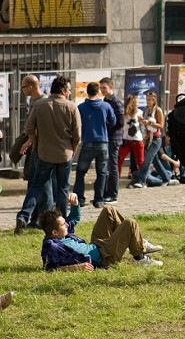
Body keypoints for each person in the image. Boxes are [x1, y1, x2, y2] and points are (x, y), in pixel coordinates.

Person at [15, 76, 81, 233]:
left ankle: (23, 216)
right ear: (63, 90)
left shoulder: (39, 105)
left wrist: (34, 141)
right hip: (65, 154)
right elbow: (77, 134)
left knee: (36, 186)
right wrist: (73, 149)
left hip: (44, 153)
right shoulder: (71, 107)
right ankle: (62, 221)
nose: (70, 92)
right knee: (63, 189)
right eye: (69, 89)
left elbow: (29, 128)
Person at [40, 194, 163, 271]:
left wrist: (75, 204)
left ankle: (138, 243)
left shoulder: (62, 234)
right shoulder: (51, 245)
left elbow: (73, 219)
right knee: (130, 223)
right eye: (63, 224)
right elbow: (50, 268)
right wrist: (76, 267)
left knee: (108, 210)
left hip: (97, 244)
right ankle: (140, 257)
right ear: (54, 232)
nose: (67, 224)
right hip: (104, 257)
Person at [16, 74, 54, 229]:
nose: (22, 90)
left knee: (43, 186)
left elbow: (42, 128)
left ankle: (43, 219)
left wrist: (29, 141)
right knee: (35, 183)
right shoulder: (33, 101)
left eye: (23, 87)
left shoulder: (44, 103)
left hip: (43, 150)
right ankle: (34, 219)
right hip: (35, 149)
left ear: (31, 86)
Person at [73, 82, 116, 208]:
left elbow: (77, 123)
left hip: (87, 142)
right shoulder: (106, 106)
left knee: (81, 172)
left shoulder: (81, 107)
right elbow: (113, 121)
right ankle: (98, 199)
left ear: (87, 92)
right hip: (103, 142)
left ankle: (80, 199)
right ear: (98, 92)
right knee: (102, 172)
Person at [99, 77, 125, 204]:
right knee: (107, 166)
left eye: (104, 87)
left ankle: (113, 194)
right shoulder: (105, 100)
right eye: (101, 88)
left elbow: (120, 122)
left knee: (112, 166)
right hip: (106, 138)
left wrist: (108, 128)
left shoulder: (116, 101)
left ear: (111, 87)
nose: (102, 90)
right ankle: (106, 192)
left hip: (114, 138)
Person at [132, 91, 164, 188]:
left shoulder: (158, 110)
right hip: (147, 138)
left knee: (147, 160)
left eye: (150, 100)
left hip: (156, 139)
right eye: (147, 100)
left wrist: (149, 123)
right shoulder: (146, 110)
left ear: (154, 100)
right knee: (156, 161)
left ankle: (142, 181)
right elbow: (145, 125)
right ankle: (167, 178)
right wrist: (142, 121)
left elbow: (161, 125)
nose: (148, 102)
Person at [117, 94, 144, 181]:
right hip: (126, 140)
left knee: (140, 161)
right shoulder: (124, 113)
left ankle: (143, 180)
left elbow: (142, 126)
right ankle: (116, 178)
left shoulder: (139, 112)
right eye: (137, 102)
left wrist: (142, 121)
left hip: (137, 139)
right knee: (119, 159)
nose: (138, 104)